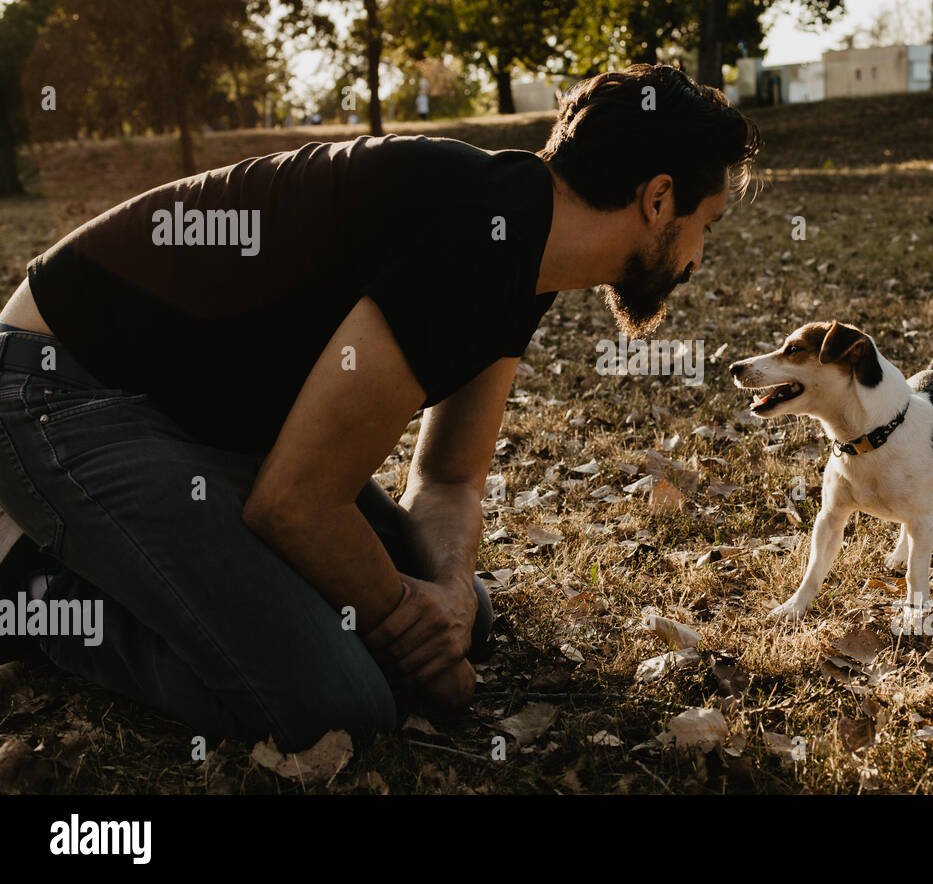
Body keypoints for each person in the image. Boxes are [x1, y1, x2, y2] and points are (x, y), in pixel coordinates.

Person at [0, 63, 759, 751]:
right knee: (338, 703)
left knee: (477, 623)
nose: (698, 259)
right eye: (707, 227)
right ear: (659, 199)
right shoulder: (477, 231)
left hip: (205, 430)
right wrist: (404, 620)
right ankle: (30, 582)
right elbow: (295, 504)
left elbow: (450, 479)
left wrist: (452, 597)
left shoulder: (527, 250)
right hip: (61, 387)